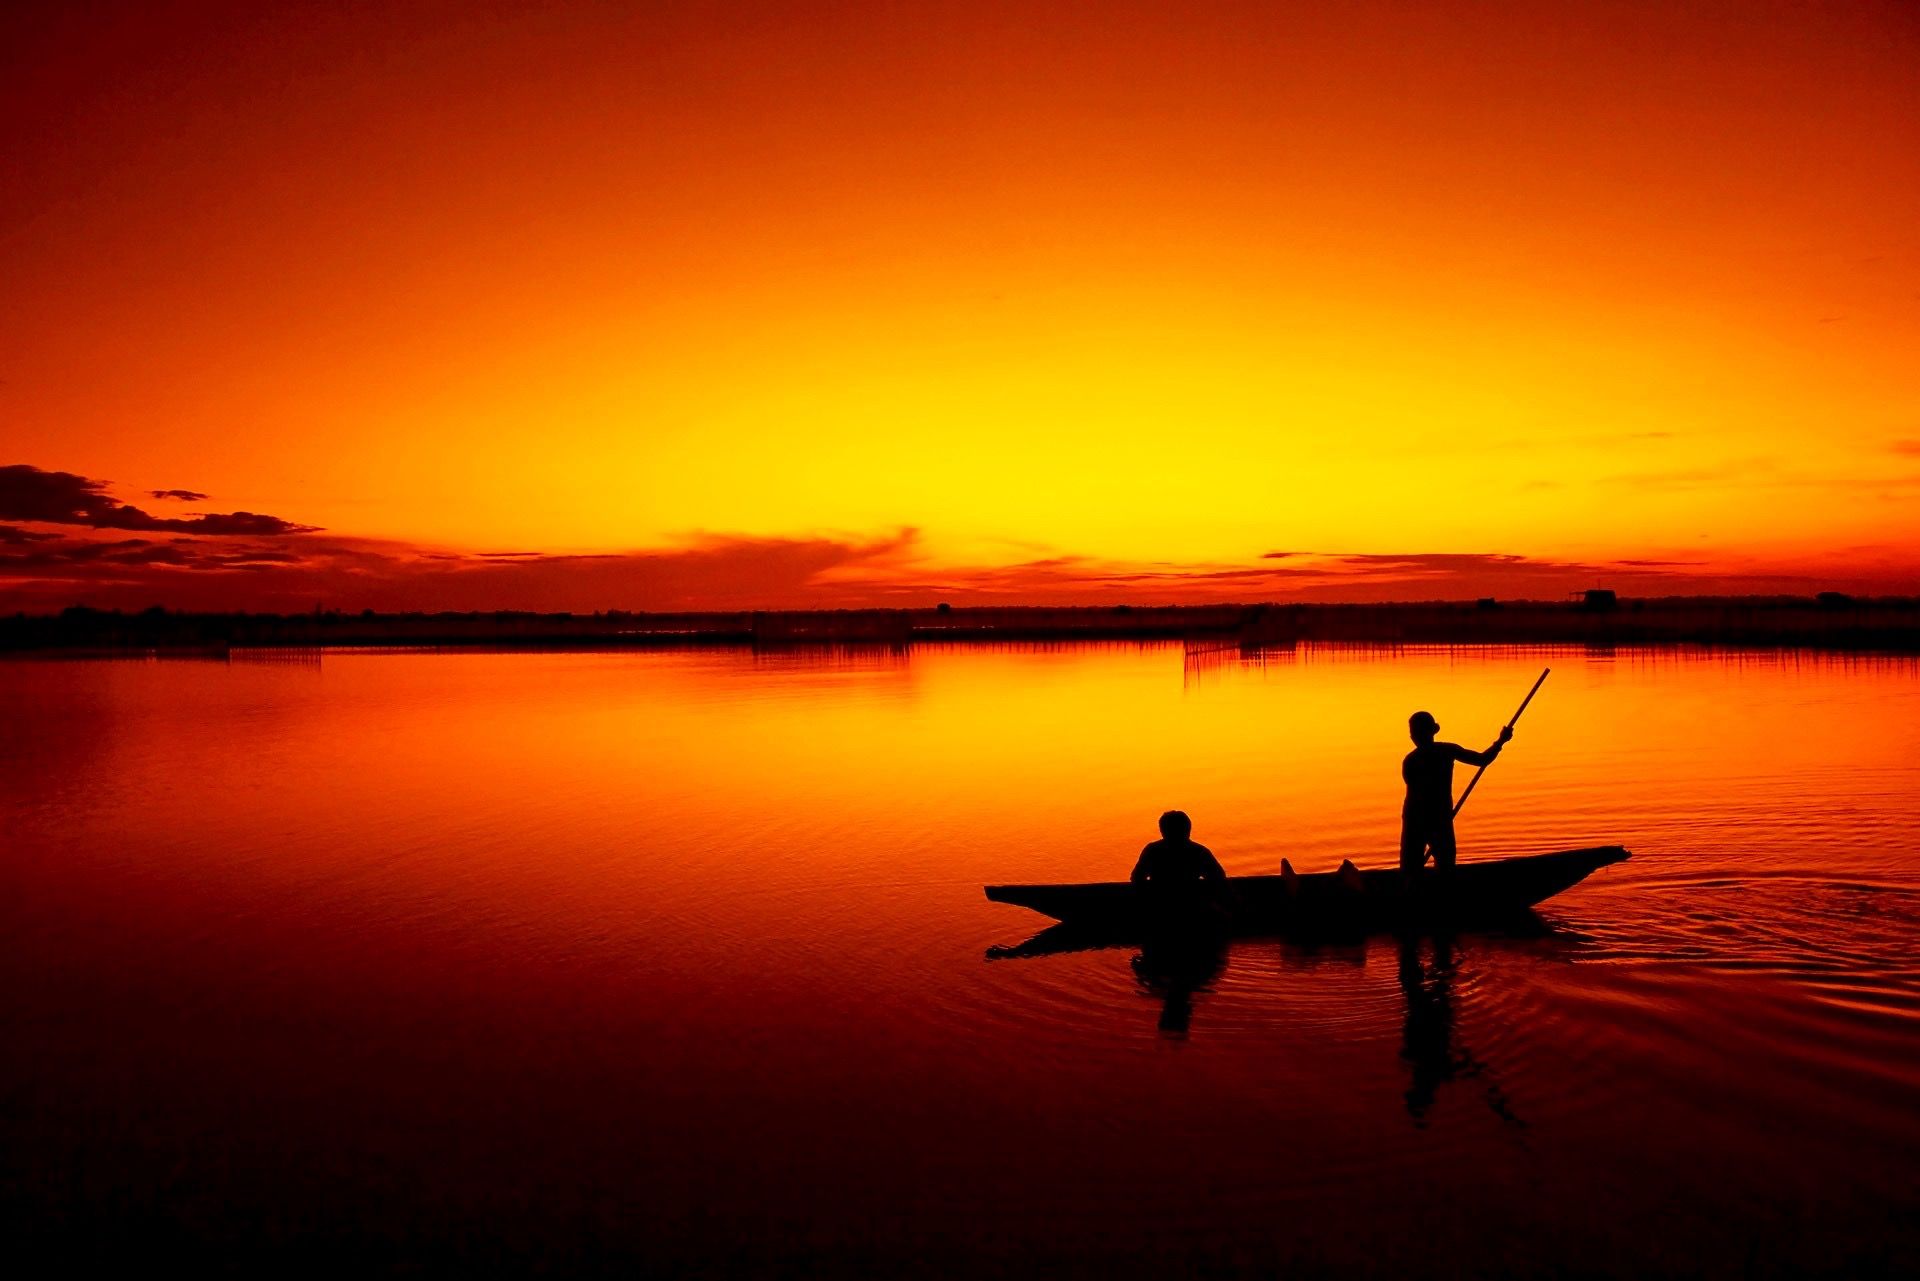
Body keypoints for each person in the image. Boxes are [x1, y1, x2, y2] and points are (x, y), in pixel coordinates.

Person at [1400, 711, 1511, 876]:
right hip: (1425, 819)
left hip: (1430, 818)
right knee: (1422, 868)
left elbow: (1481, 760)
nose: (1414, 736)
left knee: (1433, 867)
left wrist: (1501, 741)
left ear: (1430, 732)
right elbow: (1482, 760)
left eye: (1416, 731)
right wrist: (1501, 741)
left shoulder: (1433, 754)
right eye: (1413, 732)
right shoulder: (1428, 756)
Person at [1130, 810, 1226, 888]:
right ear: (1188, 829)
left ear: (1162, 830)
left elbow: (1137, 877)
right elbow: (1218, 877)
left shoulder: (1152, 850)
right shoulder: (1199, 851)